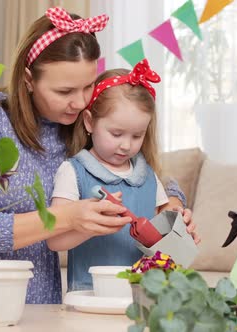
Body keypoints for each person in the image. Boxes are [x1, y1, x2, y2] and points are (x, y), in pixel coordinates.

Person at [0, 7, 191, 304]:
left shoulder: (85, 123)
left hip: (50, 307)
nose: (79, 101)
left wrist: (174, 205)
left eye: (88, 86)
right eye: (64, 91)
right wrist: (62, 219)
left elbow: (142, 171)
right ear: (28, 79)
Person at [47, 59, 201, 292]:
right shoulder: (72, 172)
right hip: (90, 296)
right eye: (116, 133)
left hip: (145, 293)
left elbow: (165, 239)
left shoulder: (149, 175)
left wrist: (180, 227)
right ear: (89, 122)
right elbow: (55, 240)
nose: (126, 146)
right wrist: (90, 225)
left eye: (137, 135)